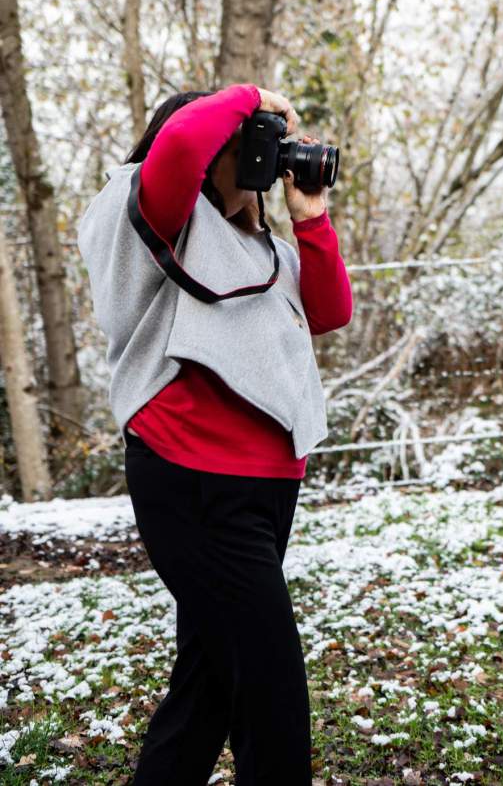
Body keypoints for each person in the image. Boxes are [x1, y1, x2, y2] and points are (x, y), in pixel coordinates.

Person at [77, 82, 353, 785]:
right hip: (197, 484)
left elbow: (329, 309)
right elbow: (177, 147)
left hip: (264, 490)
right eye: (245, 143)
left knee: (206, 690)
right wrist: (255, 95)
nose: (258, 157)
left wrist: (310, 216)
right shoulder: (154, 213)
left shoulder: (253, 244)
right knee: (272, 698)